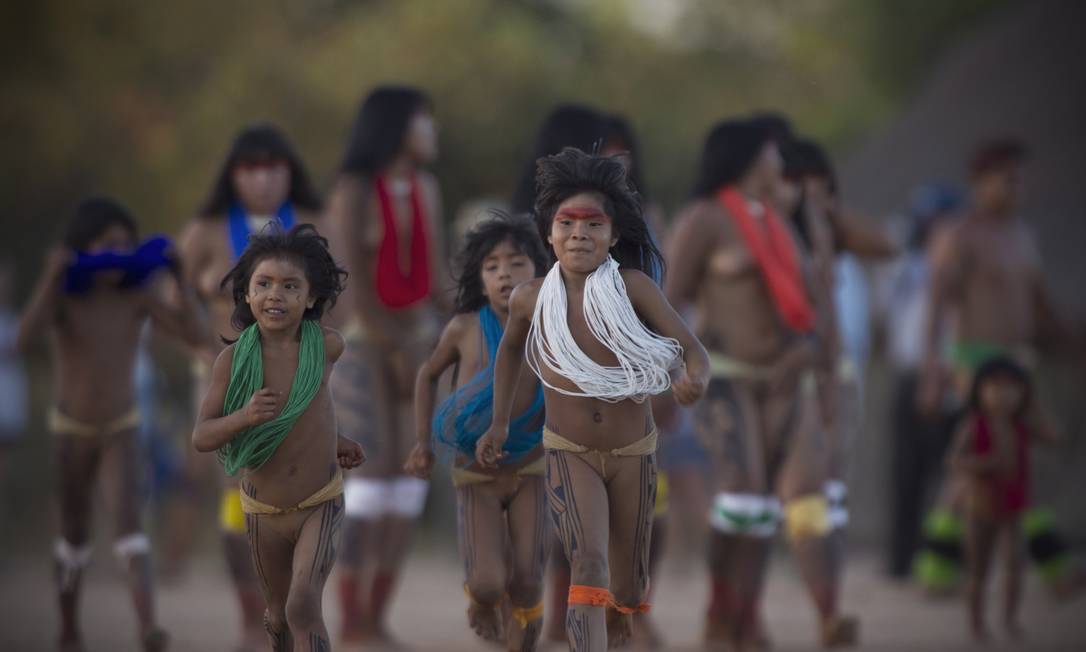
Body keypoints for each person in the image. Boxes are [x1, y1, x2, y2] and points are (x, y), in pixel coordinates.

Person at [478, 148, 710, 651]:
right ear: (547, 233)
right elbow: (509, 355)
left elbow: (692, 350)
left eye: (593, 224)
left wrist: (693, 379)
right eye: (567, 222)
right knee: (588, 562)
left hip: (634, 453)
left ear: (615, 234)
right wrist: (499, 424)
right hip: (569, 449)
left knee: (627, 584)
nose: (579, 234)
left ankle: (627, 614)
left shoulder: (634, 289)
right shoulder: (530, 297)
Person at [666, 118, 857, 650]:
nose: (781, 162)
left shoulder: (781, 219)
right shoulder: (703, 218)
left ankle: (769, 616)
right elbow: (669, 300)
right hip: (727, 378)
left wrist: (807, 354)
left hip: (787, 380)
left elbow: (813, 304)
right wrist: (668, 378)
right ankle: (722, 610)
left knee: (788, 502)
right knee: (746, 499)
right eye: (774, 153)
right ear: (750, 157)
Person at [18, 197, 208, 652]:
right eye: (107, 244)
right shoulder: (66, 297)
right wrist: (51, 276)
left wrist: (179, 279)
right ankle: (68, 628)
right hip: (70, 429)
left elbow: (196, 336)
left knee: (128, 522)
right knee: (74, 532)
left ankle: (148, 627)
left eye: (126, 244)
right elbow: (23, 339)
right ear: (84, 245)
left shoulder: (136, 296)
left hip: (121, 426)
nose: (117, 253)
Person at [914, 139, 1085, 599]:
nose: (1017, 188)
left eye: (1021, 178)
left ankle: (935, 564)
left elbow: (1040, 304)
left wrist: (1072, 343)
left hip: (1017, 363)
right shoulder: (959, 235)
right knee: (1007, 461)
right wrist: (934, 372)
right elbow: (936, 308)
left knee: (984, 468)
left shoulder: (1021, 237)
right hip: (977, 365)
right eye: (1007, 178)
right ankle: (1056, 565)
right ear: (980, 182)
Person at [176, 122, 323, 651]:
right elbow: (171, 295)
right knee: (234, 493)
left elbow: (338, 296)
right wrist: (198, 344)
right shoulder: (206, 229)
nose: (263, 180)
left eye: (274, 168)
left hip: (298, 377)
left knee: (297, 485)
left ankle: (295, 607)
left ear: (290, 173)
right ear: (233, 175)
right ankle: (252, 613)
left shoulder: (313, 222)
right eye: (251, 169)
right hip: (225, 373)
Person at [193, 224, 364, 651]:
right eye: (263, 284)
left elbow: (310, 409)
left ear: (310, 298)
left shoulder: (327, 347)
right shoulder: (231, 361)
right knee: (277, 615)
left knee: (303, 605)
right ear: (247, 296)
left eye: (291, 286)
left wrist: (336, 439)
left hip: (318, 502)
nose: (275, 295)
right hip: (261, 507)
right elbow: (202, 435)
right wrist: (244, 417)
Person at [325, 84, 449, 644]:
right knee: (368, 482)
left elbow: (439, 278)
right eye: (425, 119)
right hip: (362, 345)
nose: (432, 131)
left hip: (418, 342)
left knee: (409, 479)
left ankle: (377, 614)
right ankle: (351, 617)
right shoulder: (352, 192)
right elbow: (346, 279)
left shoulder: (426, 187)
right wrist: (395, 345)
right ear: (398, 126)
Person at [404, 213, 551, 650]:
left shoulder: (553, 326)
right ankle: (483, 601)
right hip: (476, 475)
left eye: (518, 263)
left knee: (527, 580)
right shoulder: (464, 328)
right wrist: (421, 443)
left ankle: (520, 639)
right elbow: (427, 376)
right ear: (480, 278)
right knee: (488, 582)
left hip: (533, 469)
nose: (505, 273)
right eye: (492, 266)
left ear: (542, 273)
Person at [509, 102, 613, 644]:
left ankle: (568, 617)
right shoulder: (541, 221)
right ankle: (545, 615)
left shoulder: (609, 225)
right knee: (552, 499)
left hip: (592, 383)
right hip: (546, 375)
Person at [875, 183, 964, 578]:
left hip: (951, 374)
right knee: (906, 471)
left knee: (950, 469)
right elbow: (885, 311)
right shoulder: (903, 265)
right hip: (908, 372)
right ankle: (901, 559)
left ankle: (946, 557)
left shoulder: (963, 264)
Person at [945, 357, 1061, 641]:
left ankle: (1010, 620)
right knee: (978, 569)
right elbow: (954, 461)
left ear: (1023, 392)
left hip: (1013, 505)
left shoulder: (1021, 425)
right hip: (980, 505)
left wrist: (1035, 408)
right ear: (979, 391)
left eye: (1012, 387)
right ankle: (977, 625)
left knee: (1015, 564)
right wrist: (983, 463)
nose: (1003, 394)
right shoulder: (974, 425)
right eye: (994, 386)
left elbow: (1053, 436)